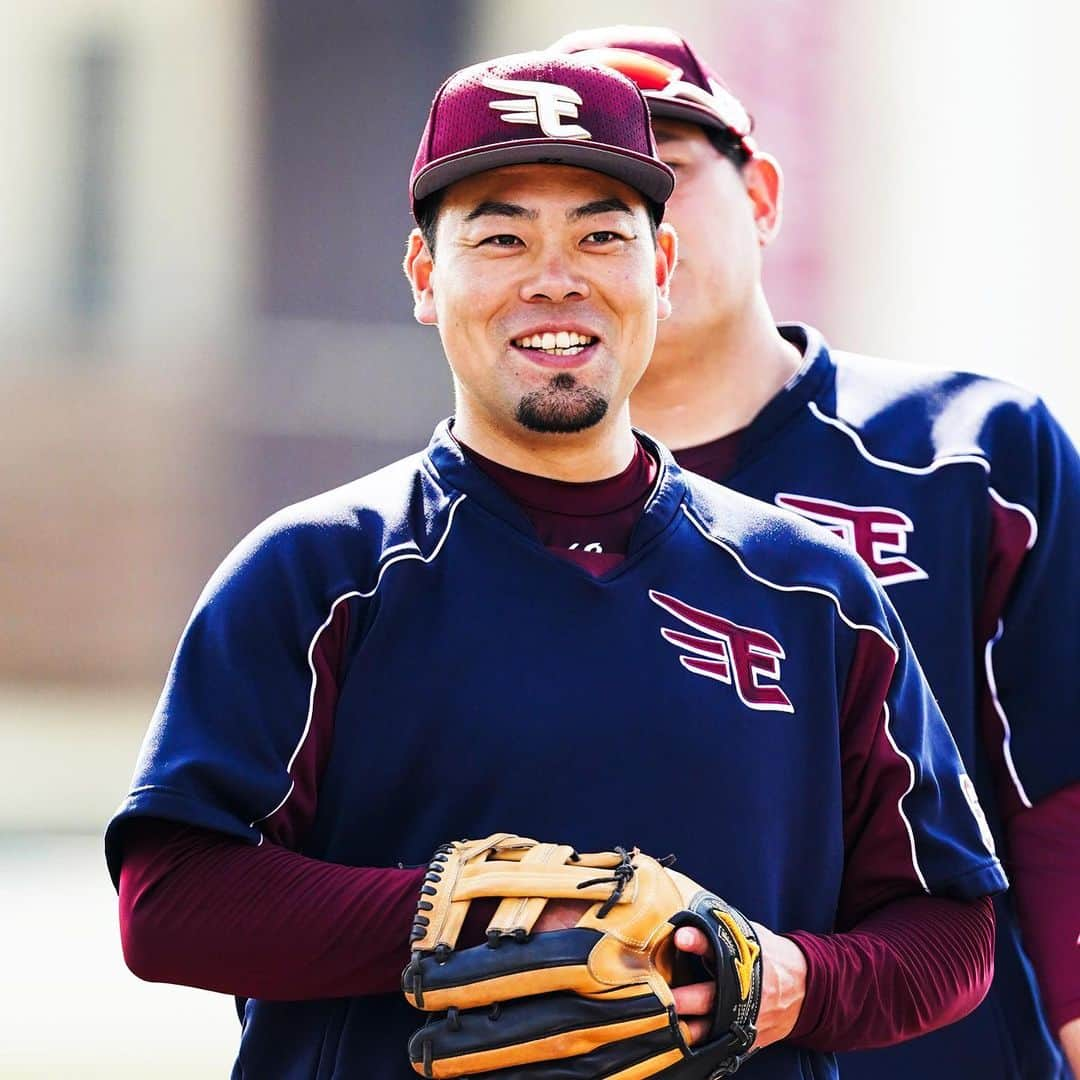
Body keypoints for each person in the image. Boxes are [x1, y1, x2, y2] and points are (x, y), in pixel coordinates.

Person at [107, 53, 1006, 1080]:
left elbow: (952, 928)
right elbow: (169, 903)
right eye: (500, 236)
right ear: (424, 276)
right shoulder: (318, 572)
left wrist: (782, 983)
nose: (555, 276)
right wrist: (466, 913)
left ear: (659, 271)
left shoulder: (812, 589)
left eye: (601, 234)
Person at [551, 25, 1080, 1079]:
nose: (637, 222)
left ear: (761, 196)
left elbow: (1063, 791)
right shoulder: (458, 528)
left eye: (669, 174)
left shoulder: (973, 456)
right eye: (592, 203)